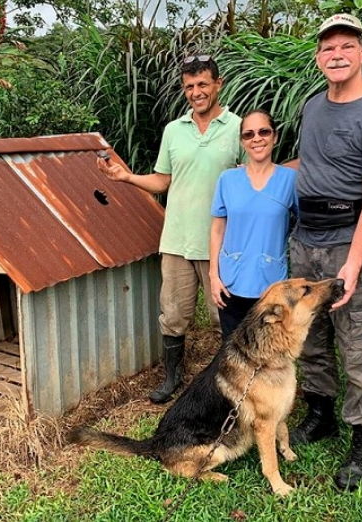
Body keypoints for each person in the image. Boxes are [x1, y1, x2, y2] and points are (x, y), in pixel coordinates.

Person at [285, 13, 362, 491]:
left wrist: (352, 265)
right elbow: (307, 165)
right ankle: (320, 414)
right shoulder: (314, 107)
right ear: (318, 57)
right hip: (305, 239)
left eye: (346, 46)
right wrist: (253, 173)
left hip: (347, 240)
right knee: (309, 337)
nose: (336, 54)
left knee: (356, 344)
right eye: (327, 47)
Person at [97, 55, 242, 404]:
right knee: (173, 315)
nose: (197, 92)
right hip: (177, 240)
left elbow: (252, 181)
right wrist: (126, 176)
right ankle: (172, 377)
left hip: (220, 243)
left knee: (227, 317)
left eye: (203, 84)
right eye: (190, 86)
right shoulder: (174, 131)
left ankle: (233, 384)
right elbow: (163, 181)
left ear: (217, 85)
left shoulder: (238, 127)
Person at [209, 109, 297, 340]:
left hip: (271, 283)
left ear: (274, 137)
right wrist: (213, 276)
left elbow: (304, 224)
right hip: (231, 280)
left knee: (269, 350)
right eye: (248, 134)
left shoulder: (290, 180)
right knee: (234, 351)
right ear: (242, 141)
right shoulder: (227, 180)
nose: (256, 138)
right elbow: (217, 228)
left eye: (263, 132)